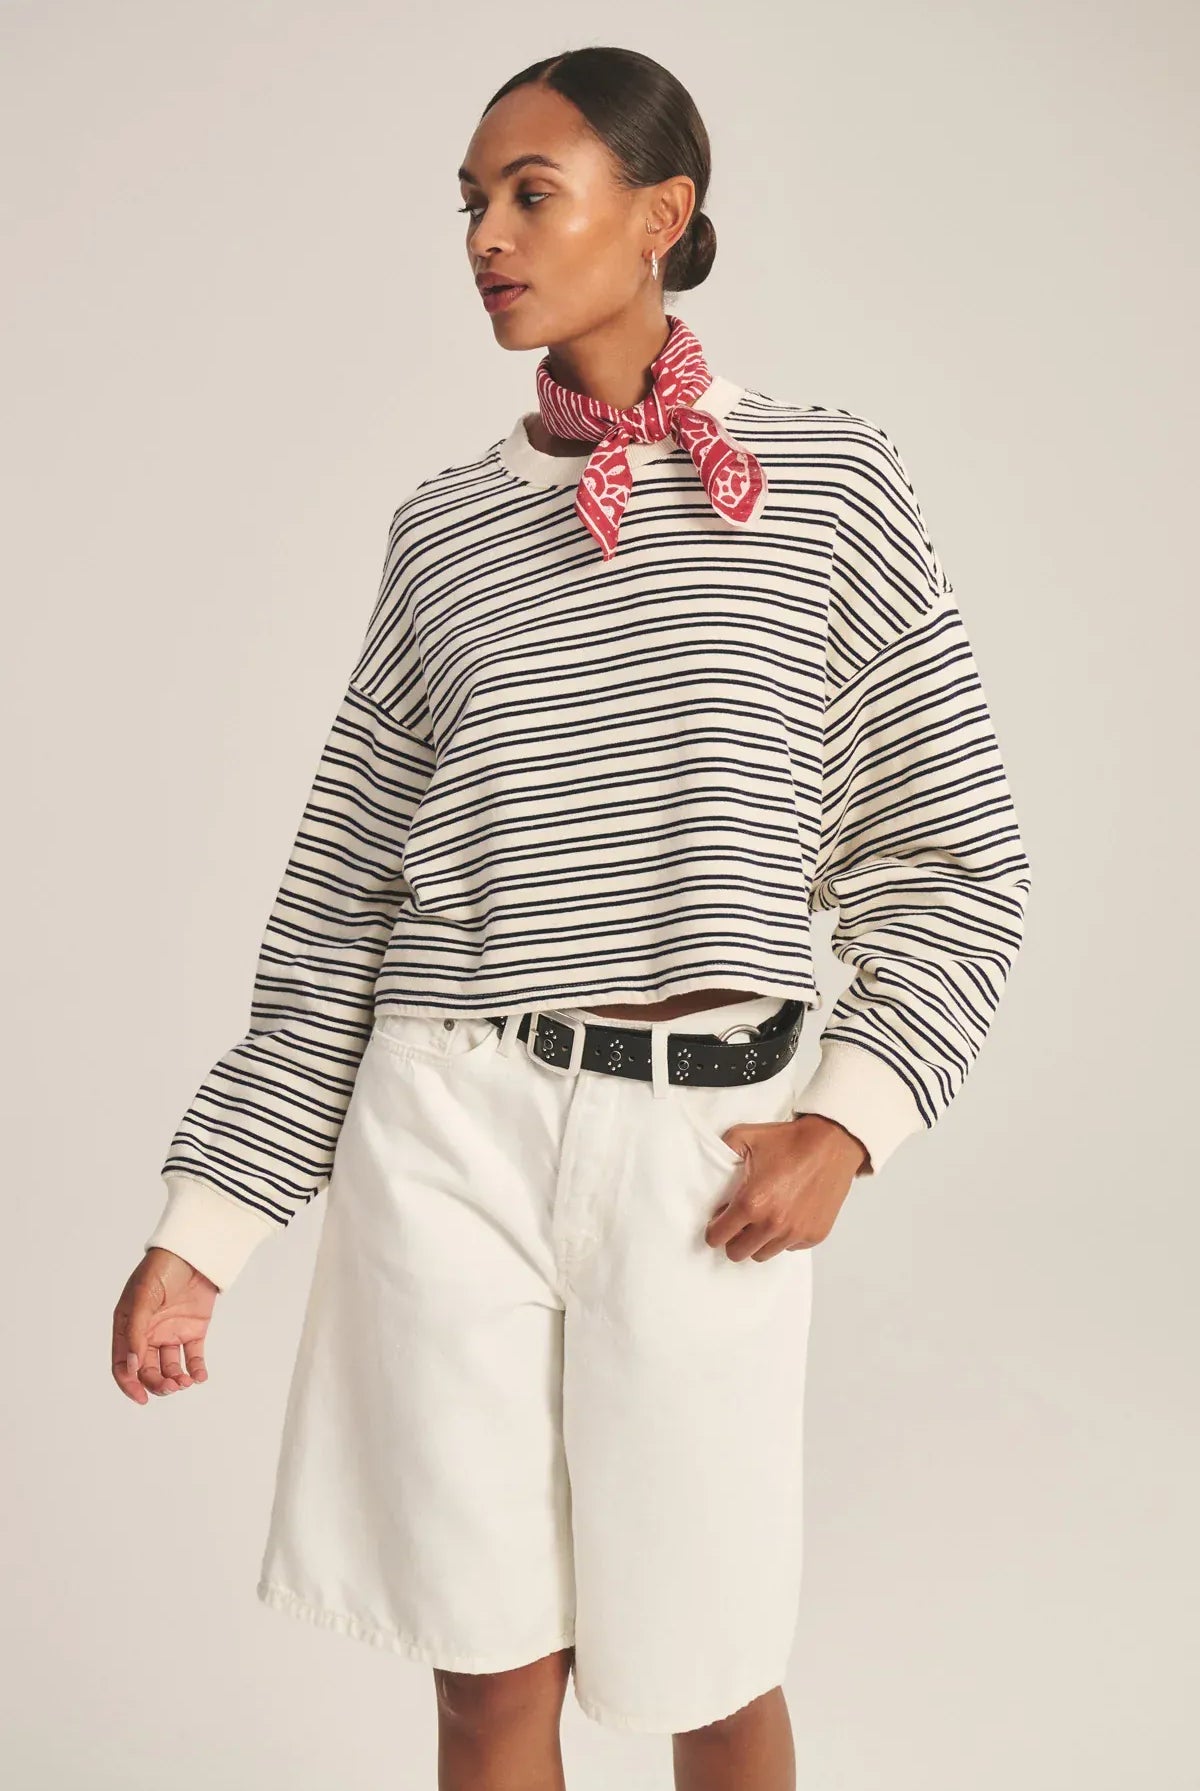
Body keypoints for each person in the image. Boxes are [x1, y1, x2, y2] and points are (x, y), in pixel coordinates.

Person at [111, 43, 1032, 1791]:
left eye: (532, 194)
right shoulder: (445, 532)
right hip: (446, 1126)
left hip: (701, 1153)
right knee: (486, 1678)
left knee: (712, 1664)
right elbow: (339, 905)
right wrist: (205, 1225)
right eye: (471, 202)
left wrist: (847, 1123)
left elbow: (953, 857)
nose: (487, 235)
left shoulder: (824, 483)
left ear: (662, 213)